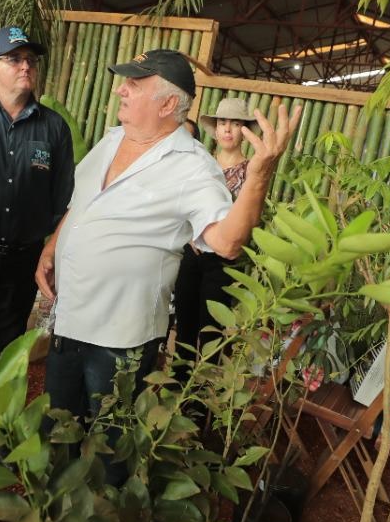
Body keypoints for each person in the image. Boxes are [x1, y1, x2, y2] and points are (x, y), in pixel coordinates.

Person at [35, 50, 299, 436]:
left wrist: (258, 175)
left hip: (119, 341)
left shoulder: (192, 166)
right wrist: (52, 246)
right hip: (70, 320)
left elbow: (227, 243)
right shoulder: (111, 140)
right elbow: (81, 202)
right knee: (59, 430)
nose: (120, 90)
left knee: (110, 446)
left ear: (168, 103)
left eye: (134, 84)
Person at [0, 26, 74, 361]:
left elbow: (62, 196)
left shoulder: (54, 128)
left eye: (30, 61)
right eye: (14, 59)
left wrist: (44, 246)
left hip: (23, 261)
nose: (26, 67)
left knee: (9, 354)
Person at [172, 97, 260, 368]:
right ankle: (178, 387)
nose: (227, 129)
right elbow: (182, 202)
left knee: (211, 330)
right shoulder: (201, 163)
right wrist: (190, 236)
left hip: (223, 260)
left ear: (244, 130)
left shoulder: (251, 171)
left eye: (235, 124)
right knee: (184, 323)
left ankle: (203, 400)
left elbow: (250, 219)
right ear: (216, 128)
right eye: (223, 123)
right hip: (190, 251)